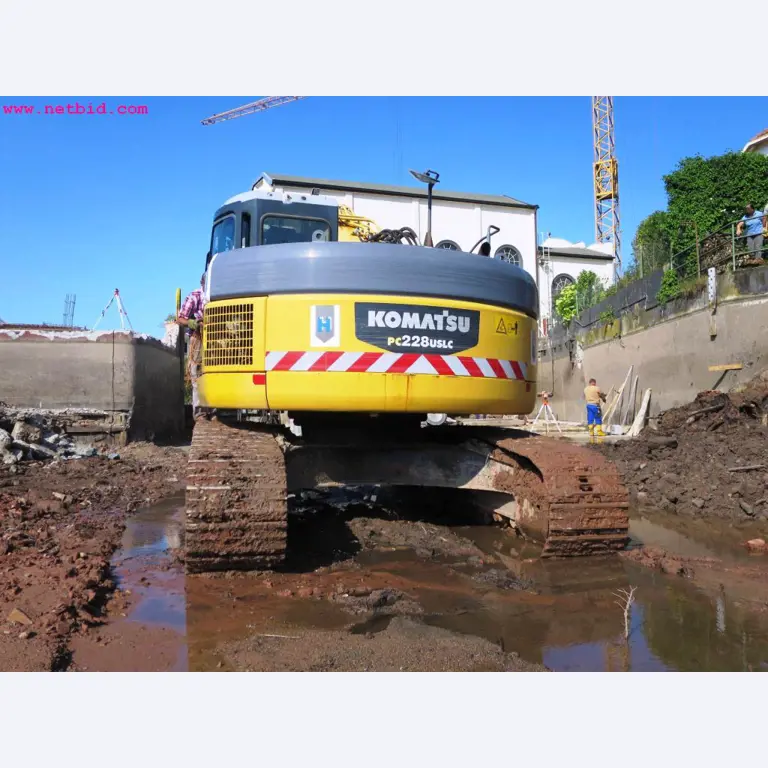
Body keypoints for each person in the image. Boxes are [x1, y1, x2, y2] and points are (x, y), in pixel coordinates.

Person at [177, 272, 207, 419]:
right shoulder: (195, 296)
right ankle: (200, 411)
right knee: (197, 374)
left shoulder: (218, 294)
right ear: (203, 283)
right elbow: (180, 318)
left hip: (215, 337)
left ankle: (214, 409)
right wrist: (193, 323)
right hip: (198, 338)